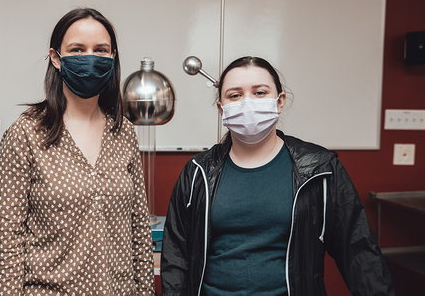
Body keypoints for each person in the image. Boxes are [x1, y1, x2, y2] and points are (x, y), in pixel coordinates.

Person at [161, 56, 394, 295]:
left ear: (279, 101)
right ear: (222, 109)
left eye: (260, 92)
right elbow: (176, 256)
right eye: (235, 95)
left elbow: (358, 251)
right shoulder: (198, 172)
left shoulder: (320, 168)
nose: (247, 102)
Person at [0, 8, 154, 295]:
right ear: (56, 57)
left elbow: (139, 229)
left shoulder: (124, 132)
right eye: (77, 49)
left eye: (100, 50)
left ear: (112, 57)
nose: (89, 58)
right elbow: (8, 241)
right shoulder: (26, 133)